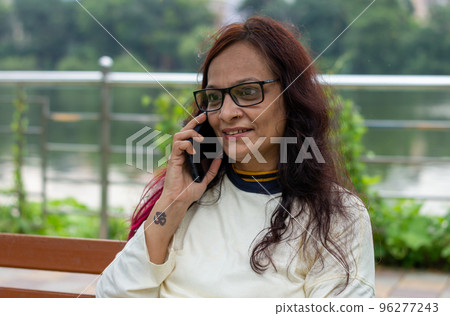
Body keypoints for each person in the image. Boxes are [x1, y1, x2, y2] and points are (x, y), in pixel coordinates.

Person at [96, 16, 375, 298]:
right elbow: (110, 298)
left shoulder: (338, 217)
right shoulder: (188, 198)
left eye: (248, 92)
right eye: (215, 97)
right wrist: (171, 204)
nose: (227, 113)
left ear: (292, 97)